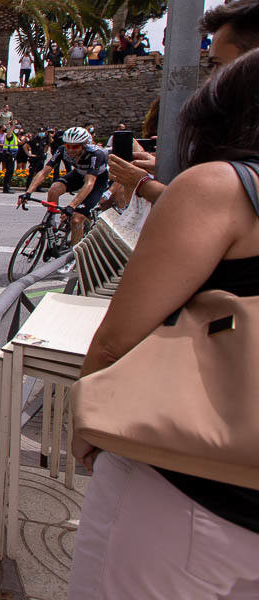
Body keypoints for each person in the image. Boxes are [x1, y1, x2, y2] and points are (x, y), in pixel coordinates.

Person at [68, 50, 259, 599]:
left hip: (192, 484)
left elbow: (117, 338)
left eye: (215, 64)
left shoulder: (222, 185)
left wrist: (88, 424)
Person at [18, 126, 108, 244]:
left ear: (84, 145)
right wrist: (28, 192)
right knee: (54, 189)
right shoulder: (62, 150)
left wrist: (72, 206)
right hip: (78, 174)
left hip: (97, 180)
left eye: (74, 146)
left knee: (76, 219)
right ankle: (51, 225)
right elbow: (44, 171)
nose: (70, 150)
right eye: (67, 145)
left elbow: (89, 183)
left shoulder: (95, 154)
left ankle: (74, 251)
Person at [1, 126, 20, 193]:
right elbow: (9, 133)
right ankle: (6, 188)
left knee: (10, 171)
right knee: (9, 171)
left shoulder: (14, 136)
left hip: (12, 155)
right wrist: (13, 125)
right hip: (9, 155)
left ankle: (7, 187)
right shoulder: (9, 136)